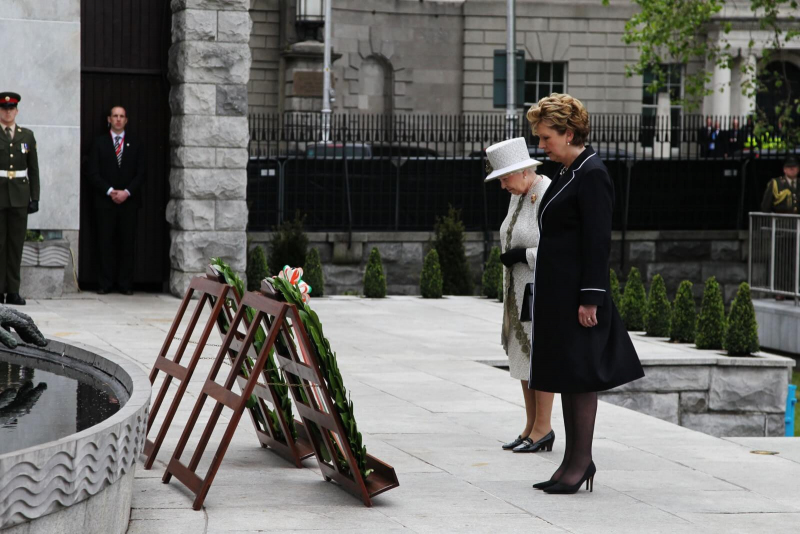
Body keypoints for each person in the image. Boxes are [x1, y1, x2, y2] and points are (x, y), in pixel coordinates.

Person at [525, 93, 644, 494]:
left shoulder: (592, 173)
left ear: (569, 132)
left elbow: (597, 241)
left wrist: (591, 297)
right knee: (566, 375)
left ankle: (581, 462)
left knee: (580, 376)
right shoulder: (567, 172)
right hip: (558, 293)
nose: (542, 145)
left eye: (546, 138)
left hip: (579, 295)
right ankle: (570, 462)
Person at [484, 137, 555, 454]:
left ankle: (544, 428)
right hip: (516, 290)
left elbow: (558, 250)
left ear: (524, 171)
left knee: (540, 358)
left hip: (539, 288)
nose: (502, 186)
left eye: (504, 178)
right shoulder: (519, 194)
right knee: (523, 358)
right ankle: (530, 427)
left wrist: (523, 256)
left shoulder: (547, 192)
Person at [88, 106, 146, 295]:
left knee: (127, 244)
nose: (118, 119)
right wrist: (110, 191)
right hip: (105, 202)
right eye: (115, 116)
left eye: (122, 116)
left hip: (129, 202)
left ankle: (125, 284)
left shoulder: (135, 143)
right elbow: (93, 172)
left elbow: (141, 173)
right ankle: (105, 283)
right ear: (109, 119)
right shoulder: (99, 143)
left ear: (126, 120)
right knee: (105, 243)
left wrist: (127, 192)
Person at [0, 92, 40, 306]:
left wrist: (35, 197)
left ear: (16, 110)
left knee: (16, 245)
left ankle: (13, 290)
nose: (8, 111)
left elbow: (33, 169)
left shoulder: (27, 136)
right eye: (4, 108)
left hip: (20, 197)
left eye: (11, 108)